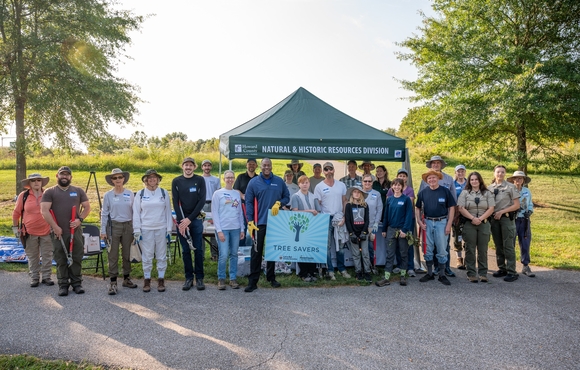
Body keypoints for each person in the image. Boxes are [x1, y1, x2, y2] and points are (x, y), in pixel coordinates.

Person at [41, 166, 91, 296]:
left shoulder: (78, 191)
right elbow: (44, 210)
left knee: (76, 257)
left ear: (70, 177)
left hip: (76, 231)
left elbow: (86, 207)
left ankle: (77, 284)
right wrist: (55, 227)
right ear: (57, 176)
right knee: (61, 258)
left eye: (67, 175)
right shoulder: (50, 192)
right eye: (62, 174)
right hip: (58, 232)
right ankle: (63, 285)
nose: (64, 176)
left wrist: (79, 219)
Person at [244, 158, 290, 292]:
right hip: (259, 223)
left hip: (275, 222)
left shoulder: (279, 181)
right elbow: (248, 202)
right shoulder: (253, 182)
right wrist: (250, 220)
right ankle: (253, 281)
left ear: (271, 166)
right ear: (261, 166)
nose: (266, 167)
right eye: (264, 165)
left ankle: (271, 277)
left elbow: (286, 197)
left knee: (272, 252)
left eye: (268, 165)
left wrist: (279, 203)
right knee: (256, 252)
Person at [133, 169, 173, 293]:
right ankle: (147, 279)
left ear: (158, 179)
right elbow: (136, 213)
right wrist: (137, 229)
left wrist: (169, 229)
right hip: (146, 229)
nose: (152, 180)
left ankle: (161, 279)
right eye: (149, 178)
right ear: (145, 180)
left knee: (161, 255)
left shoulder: (163, 192)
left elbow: (168, 212)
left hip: (161, 228)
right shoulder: (140, 194)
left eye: (154, 177)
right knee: (147, 256)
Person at [172, 157, 207, 291]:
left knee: (198, 249)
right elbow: (175, 202)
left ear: (194, 167)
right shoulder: (176, 181)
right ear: (183, 167)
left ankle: (199, 277)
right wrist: (183, 221)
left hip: (196, 220)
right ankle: (188, 278)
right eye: (186, 165)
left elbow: (202, 200)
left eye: (190, 165)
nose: (188, 167)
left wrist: (190, 219)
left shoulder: (199, 180)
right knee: (186, 250)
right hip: (181, 221)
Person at [418, 155, 457, 278]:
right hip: (428, 220)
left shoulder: (448, 181)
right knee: (429, 246)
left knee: (443, 246)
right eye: (433, 163)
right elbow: (418, 204)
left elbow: (452, 203)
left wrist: (450, 223)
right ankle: (432, 271)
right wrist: (419, 220)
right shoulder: (424, 187)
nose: (435, 165)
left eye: (438, 163)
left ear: (441, 165)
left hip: (442, 220)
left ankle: (445, 270)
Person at [13, 173, 53, 288]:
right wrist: (16, 229)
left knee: (47, 255)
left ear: (41, 182)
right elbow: (16, 213)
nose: (36, 182)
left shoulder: (48, 194)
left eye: (39, 180)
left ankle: (46, 277)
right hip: (29, 232)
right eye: (33, 180)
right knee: (33, 256)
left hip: (47, 231)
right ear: (29, 183)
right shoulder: (23, 196)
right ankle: (34, 278)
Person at [100, 168, 137, 295]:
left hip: (128, 226)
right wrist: (102, 230)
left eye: (120, 177)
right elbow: (104, 213)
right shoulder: (108, 195)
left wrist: (136, 228)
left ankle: (126, 278)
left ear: (123, 179)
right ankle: (113, 282)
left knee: (127, 253)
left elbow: (135, 212)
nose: (118, 180)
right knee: (113, 255)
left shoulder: (130, 193)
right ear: (112, 180)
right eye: (115, 178)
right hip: (113, 227)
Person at [314, 162, 350, 280]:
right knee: (327, 246)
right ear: (323, 172)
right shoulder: (319, 187)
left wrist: (345, 216)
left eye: (330, 169)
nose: (328, 171)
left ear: (334, 170)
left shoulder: (341, 185)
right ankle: (330, 270)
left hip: (339, 217)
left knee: (340, 245)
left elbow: (345, 201)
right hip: (326, 218)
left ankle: (342, 269)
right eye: (326, 169)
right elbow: (317, 205)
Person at [457, 172, 495, 283]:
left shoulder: (487, 193)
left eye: (476, 179)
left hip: (484, 223)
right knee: (470, 249)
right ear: (469, 181)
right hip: (469, 223)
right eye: (472, 179)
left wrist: (481, 219)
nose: (474, 181)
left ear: (480, 180)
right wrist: (473, 218)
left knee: (483, 250)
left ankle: (483, 273)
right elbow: (461, 208)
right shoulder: (465, 193)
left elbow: (491, 208)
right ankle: (471, 273)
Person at [377, 178, 414, 287]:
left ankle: (403, 276)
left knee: (403, 253)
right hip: (391, 229)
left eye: (399, 185)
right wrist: (384, 229)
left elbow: (408, 216)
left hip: (402, 230)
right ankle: (387, 277)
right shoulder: (389, 200)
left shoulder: (406, 199)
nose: (397, 187)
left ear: (402, 187)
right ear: (392, 187)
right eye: (395, 185)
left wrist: (405, 230)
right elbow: (386, 215)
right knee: (390, 254)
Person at [211, 170, 245, 290]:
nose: (230, 179)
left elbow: (240, 212)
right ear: (224, 179)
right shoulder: (218, 193)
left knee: (234, 254)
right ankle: (221, 278)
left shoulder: (236, 193)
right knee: (224, 254)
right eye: (227, 177)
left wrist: (242, 228)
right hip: (223, 229)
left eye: (232, 177)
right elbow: (214, 212)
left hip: (235, 228)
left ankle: (232, 278)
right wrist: (219, 230)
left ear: (234, 179)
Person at [488, 165, 520, 282]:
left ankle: (512, 271)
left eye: (502, 172)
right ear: (494, 173)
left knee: (508, 245)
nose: (500, 174)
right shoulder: (489, 188)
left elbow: (516, 205)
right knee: (498, 245)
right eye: (498, 172)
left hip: (506, 219)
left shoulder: (510, 187)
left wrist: (502, 212)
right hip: (494, 219)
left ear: (505, 174)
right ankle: (502, 268)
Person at [387, 168, 418, 276]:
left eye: (404, 176)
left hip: (407, 221)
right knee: (396, 246)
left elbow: (409, 204)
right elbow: (389, 204)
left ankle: (409, 267)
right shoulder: (391, 190)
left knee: (407, 245)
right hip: (394, 222)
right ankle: (400, 266)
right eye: (400, 175)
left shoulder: (409, 190)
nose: (402, 177)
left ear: (407, 178)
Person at [291, 175, 321, 282]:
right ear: (299, 184)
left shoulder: (314, 196)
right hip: (301, 227)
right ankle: (303, 273)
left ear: (309, 184)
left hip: (312, 228)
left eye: (307, 182)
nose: (305, 184)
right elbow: (294, 211)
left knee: (311, 249)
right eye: (302, 182)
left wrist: (315, 212)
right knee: (302, 250)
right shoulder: (295, 196)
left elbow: (318, 211)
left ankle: (312, 271)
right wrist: (309, 211)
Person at [507, 171, 535, 277]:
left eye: (520, 178)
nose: (518, 180)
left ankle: (525, 266)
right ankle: (510, 266)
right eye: (516, 178)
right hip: (513, 219)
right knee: (510, 243)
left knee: (525, 243)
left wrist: (530, 211)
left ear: (523, 180)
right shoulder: (509, 191)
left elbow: (530, 204)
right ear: (513, 180)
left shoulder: (527, 191)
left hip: (524, 220)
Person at [345, 185, 371, 282]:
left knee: (365, 253)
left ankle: (367, 272)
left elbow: (367, 219)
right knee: (356, 254)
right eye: (355, 192)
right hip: (353, 232)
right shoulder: (348, 206)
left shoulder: (365, 205)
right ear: (352, 193)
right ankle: (358, 271)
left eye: (358, 192)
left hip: (363, 231)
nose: (356, 193)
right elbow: (347, 220)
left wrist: (364, 232)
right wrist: (351, 233)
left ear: (361, 194)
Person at [234, 158, 258, 247]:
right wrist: (243, 196)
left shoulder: (258, 178)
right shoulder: (240, 177)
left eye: (253, 164)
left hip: (255, 208)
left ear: (256, 166)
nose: (251, 165)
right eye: (249, 164)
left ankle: (252, 249)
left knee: (253, 230)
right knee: (242, 228)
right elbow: (236, 189)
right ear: (246, 165)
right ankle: (241, 250)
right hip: (242, 207)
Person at [361, 174, 382, 274]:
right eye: (365, 181)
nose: (367, 183)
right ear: (362, 182)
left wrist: (376, 224)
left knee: (370, 247)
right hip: (359, 225)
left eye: (369, 181)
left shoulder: (376, 194)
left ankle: (370, 266)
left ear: (372, 182)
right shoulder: (358, 193)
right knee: (360, 248)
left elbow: (379, 209)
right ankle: (361, 267)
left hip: (371, 226)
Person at [201, 159, 220, 261]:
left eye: (208, 165)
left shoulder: (216, 180)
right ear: (202, 167)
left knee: (213, 229)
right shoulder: (198, 179)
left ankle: (214, 254)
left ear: (211, 167)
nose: (207, 167)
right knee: (201, 230)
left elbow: (218, 194)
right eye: (205, 166)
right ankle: (201, 254)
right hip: (201, 205)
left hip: (212, 204)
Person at [452, 164, 468, 270]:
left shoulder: (469, 183)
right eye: (458, 171)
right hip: (456, 213)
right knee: (457, 235)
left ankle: (468, 258)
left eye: (462, 171)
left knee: (468, 235)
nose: (460, 173)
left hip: (468, 212)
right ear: (456, 173)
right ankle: (459, 258)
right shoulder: (452, 184)